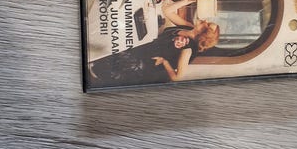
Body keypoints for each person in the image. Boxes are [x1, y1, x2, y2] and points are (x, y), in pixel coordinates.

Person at [88, 20, 220, 88]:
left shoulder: (188, 50)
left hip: (141, 62)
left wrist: (165, 62)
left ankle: (93, 68)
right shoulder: (188, 28)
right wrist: (186, 1)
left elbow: (177, 77)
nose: (205, 21)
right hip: (144, 49)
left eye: (207, 25)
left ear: (204, 33)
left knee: (100, 65)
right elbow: (167, 11)